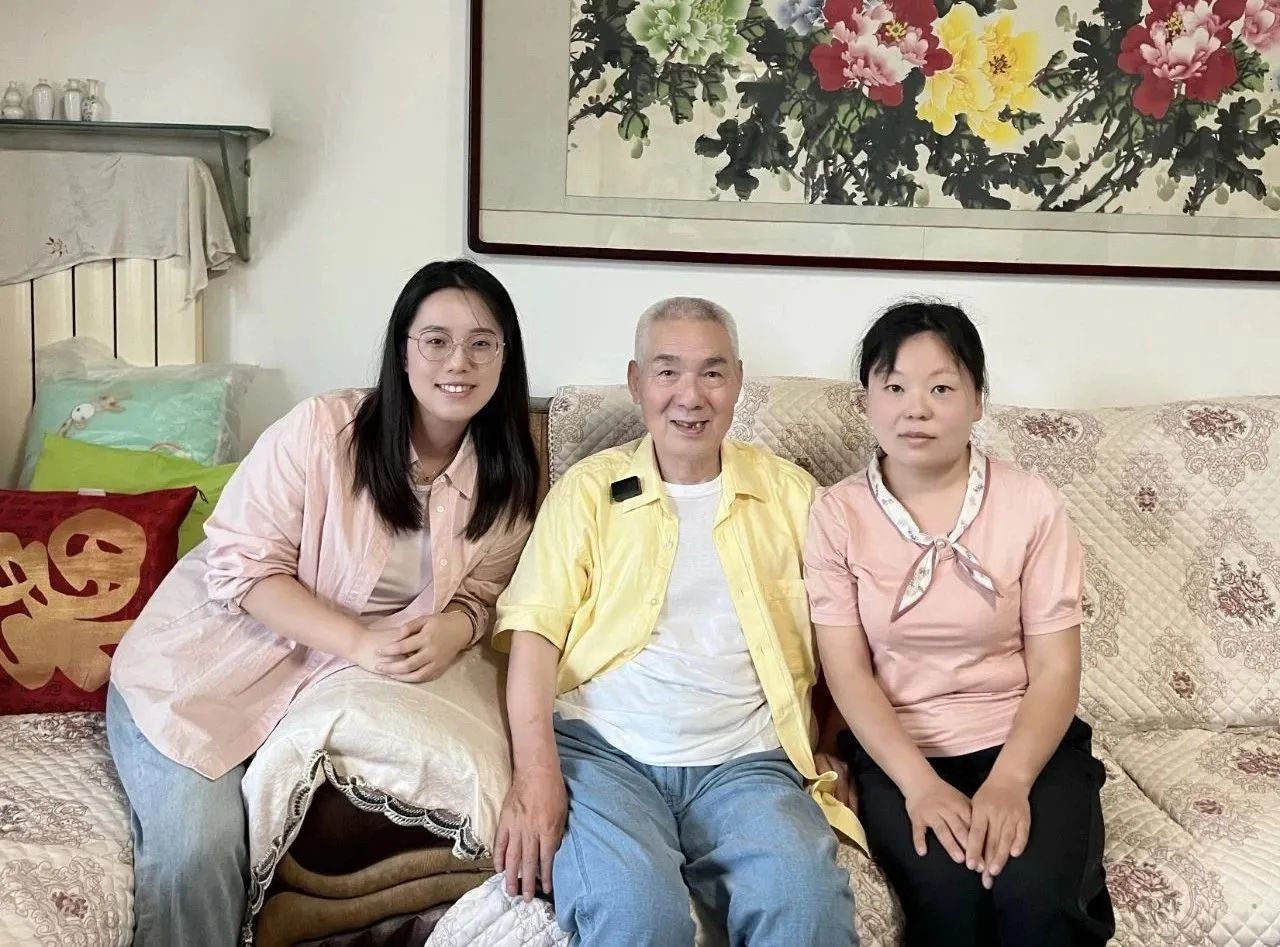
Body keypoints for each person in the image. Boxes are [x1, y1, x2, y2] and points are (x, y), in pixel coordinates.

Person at [106, 259, 540, 947]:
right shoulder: (322, 430)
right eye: (436, 340)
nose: (459, 362)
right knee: (197, 852)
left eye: (481, 342)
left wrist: (456, 627)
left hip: (309, 695)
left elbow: (486, 592)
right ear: (403, 351)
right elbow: (242, 566)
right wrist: (358, 641)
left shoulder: (507, 477)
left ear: (505, 356)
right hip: (196, 677)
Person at [491, 297, 862, 947]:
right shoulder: (589, 490)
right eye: (668, 372)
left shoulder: (793, 494)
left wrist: (834, 739)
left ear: (737, 381)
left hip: (748, 762)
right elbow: (534, 635)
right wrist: (536, 773)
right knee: (636, 913)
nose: (690, 396)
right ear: (637, 383)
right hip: (605, 756)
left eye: (712, 372)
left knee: (804, 906)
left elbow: (843, 634)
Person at [805, 301, 1114, 947]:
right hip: (900, 751)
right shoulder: (836, 514)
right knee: (949, 900)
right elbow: (849, 672)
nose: (915, 409)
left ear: (977, 401)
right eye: (895, 388)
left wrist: (1011, 781)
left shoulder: (1031, 502)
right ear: (865, 402)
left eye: (941, 388)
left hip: (1026, 741)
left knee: (1035, 898)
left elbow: (1056, 668)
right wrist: (919, 785)